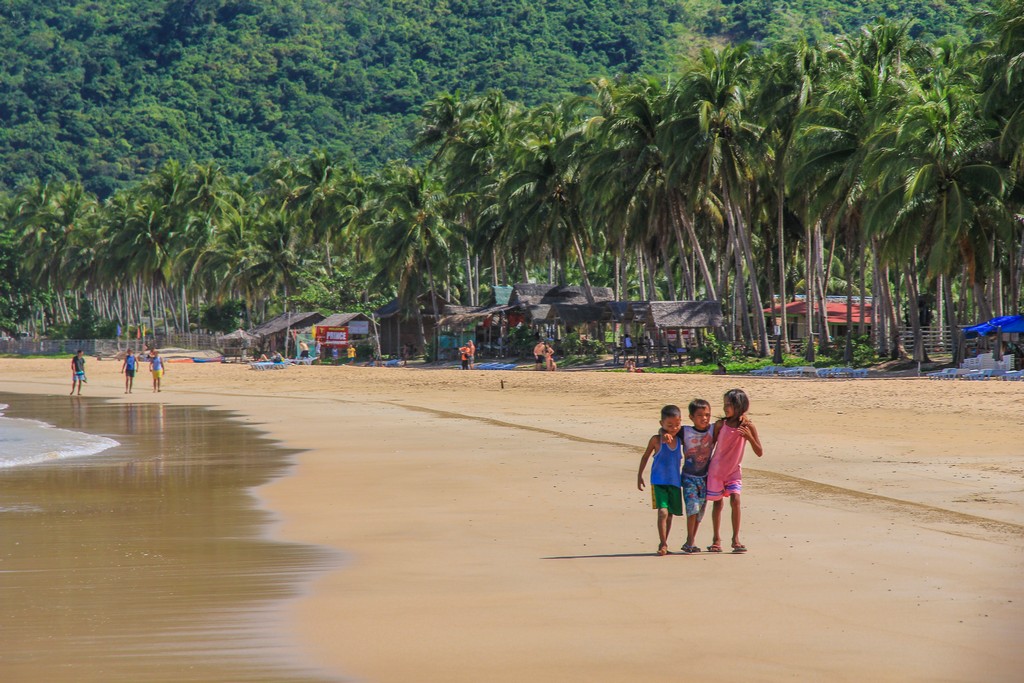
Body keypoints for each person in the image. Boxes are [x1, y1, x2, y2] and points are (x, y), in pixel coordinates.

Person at [706, 389, 763, 553]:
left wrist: (749, 437)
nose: (725, 408)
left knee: (736, 500)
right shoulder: (720, 425)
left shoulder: (748, 426)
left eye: (728, 405)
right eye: (724, 404)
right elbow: (710, 444)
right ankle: (716, 539)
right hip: (716, 470)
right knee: (717, 504)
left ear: (740, 406)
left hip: (734, 471)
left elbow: (759, 452)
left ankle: (735, 539)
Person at [636, 405, 684, 555]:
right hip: (658, 482)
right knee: (662, 512)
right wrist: (639, 475)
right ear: (661, 423)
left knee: (670, 514)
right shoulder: (656, 440)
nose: (674, 428)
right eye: (669, 425)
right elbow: (645, 457)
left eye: (677, 424)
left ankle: (664, 542)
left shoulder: (680, 439)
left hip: (675, 482)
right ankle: (663, 543)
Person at [679, 399, 716, 553]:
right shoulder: (685, 431)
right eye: (700, 415)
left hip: (705, 478)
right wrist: (663, 434)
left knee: (700, 512)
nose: (704, 418)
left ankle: (691, 541)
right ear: (691, 417)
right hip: (688, 477)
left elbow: (729, 423)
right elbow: (667, 430)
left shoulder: (713, 430)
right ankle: (689, 541)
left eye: (707, 415)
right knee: (692, 508)